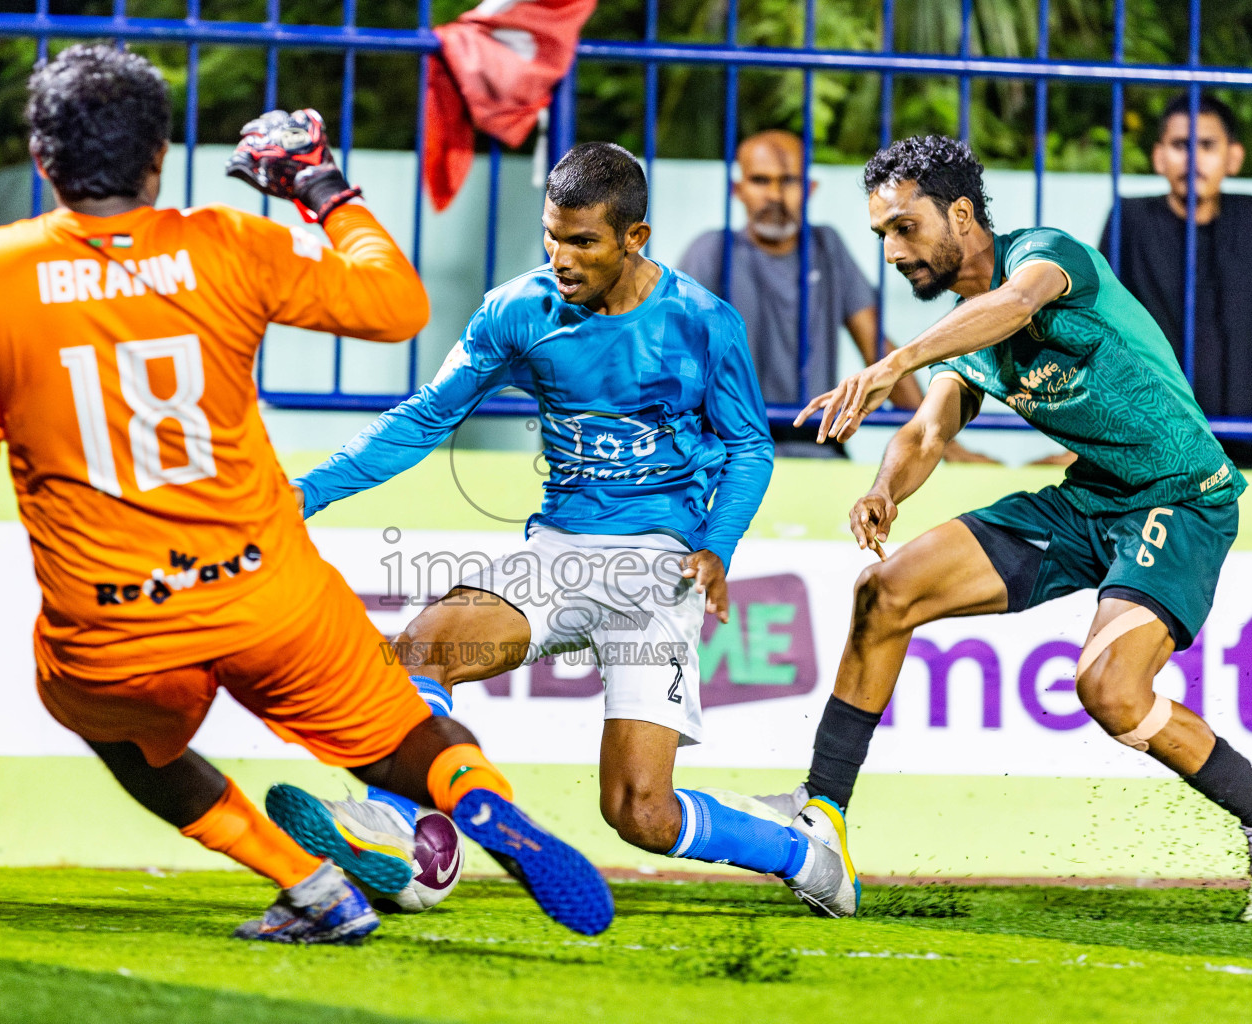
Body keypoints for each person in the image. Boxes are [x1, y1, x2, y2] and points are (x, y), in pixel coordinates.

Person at [0, 44, 612, 943]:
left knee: (120, 735)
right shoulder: (223, 242)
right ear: (158, 156)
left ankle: (310, 887)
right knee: (401, 738)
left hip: (119, 623)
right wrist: (324, 190)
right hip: (265, 589)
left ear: (42, 160)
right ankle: (477, 804)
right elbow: (395, 306)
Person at [281, 141, 860, 918]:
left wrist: (717, 549)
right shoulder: (517, 309)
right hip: (557, 552)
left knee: (640, 814)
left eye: (581, 241)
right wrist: (307, 494)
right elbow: (425, 417)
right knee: (418, 651)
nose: (560, 257)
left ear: (634, 237)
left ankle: (803, 852)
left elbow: (751, 447)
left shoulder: (701, 322)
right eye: (552, 237)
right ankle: (423, 841)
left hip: (660, 567)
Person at [774, 135, 1252, 922]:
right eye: (881, 233)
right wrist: (885, 487)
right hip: (1088, 499)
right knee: (885, 591)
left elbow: (1016, 306)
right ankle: (823, 819)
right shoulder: (966, 337)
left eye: (904, 228)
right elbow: (927, 432)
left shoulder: (1049, 256)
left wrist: (889, 363)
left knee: (1111, 691)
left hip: (1181, 495)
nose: (891, 251)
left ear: (960, 214)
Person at [676, 129, 988, 464]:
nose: (775, 195)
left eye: (789, 181)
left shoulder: (826, 248)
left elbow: (877, 348)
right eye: (760, 181)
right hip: (732, 452)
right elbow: (674, 355)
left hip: (818, 449)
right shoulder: (711, 252)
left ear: (809, 188)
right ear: (737, 190)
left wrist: (942, 443)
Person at [1100, 93, 1252, 471]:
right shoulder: (1130, 220)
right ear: (1159, 156)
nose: (1193, 160)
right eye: (1180, 145)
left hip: (1236, 452)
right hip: (1148, 446)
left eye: (1207, 145)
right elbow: (1097, 336)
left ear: (1234, 157)